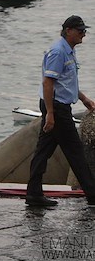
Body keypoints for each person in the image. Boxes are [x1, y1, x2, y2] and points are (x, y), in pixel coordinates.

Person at [26, 16, 95, 207]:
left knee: (43, 151)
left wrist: (84, 99)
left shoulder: (69, 51)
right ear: (68, 30)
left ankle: (33, 194)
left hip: (58, 105)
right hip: (56, 106)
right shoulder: (58, 52)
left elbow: (67, 82)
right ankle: (92, 194)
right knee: (75, 151)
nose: (83, 34)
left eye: (84, 31)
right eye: (80, 30)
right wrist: (50, 113)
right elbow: (48, 83)